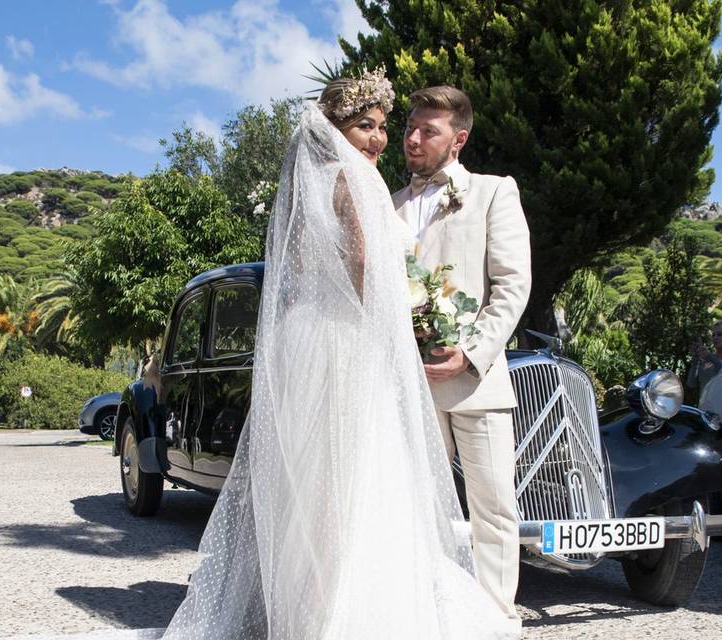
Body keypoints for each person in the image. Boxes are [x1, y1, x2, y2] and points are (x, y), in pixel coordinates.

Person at [155, 70, 515, 639]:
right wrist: (411, 316)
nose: (381, 139)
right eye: (365, 126)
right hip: (350, 351)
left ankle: (305, 612)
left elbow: (509, 287)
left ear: (457, 139)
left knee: (327, 489)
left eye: (383, 127)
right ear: (334, 128)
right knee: (356, 487)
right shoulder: (363, 185)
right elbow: (369, 277)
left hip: (323, 347)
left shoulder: (318, 185)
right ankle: (345, 614)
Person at [392, 85, 532, 635]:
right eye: (411, 128)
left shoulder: (495, 192)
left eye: (428, 130)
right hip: (407, 383)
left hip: (476, 382)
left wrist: (470, 355)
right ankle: (424, 610)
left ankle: (497, 619)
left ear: (459, 139)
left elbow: (512, 287)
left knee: (494, 506)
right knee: (415, 507)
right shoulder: (391, 204)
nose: (413, 138)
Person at [687, 320, 722, 397]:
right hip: (705, 408)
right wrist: (695, 360)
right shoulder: (706, 359)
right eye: (713, 335)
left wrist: (710, 357)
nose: (715, 337)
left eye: (719, 334)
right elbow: (691, 384)